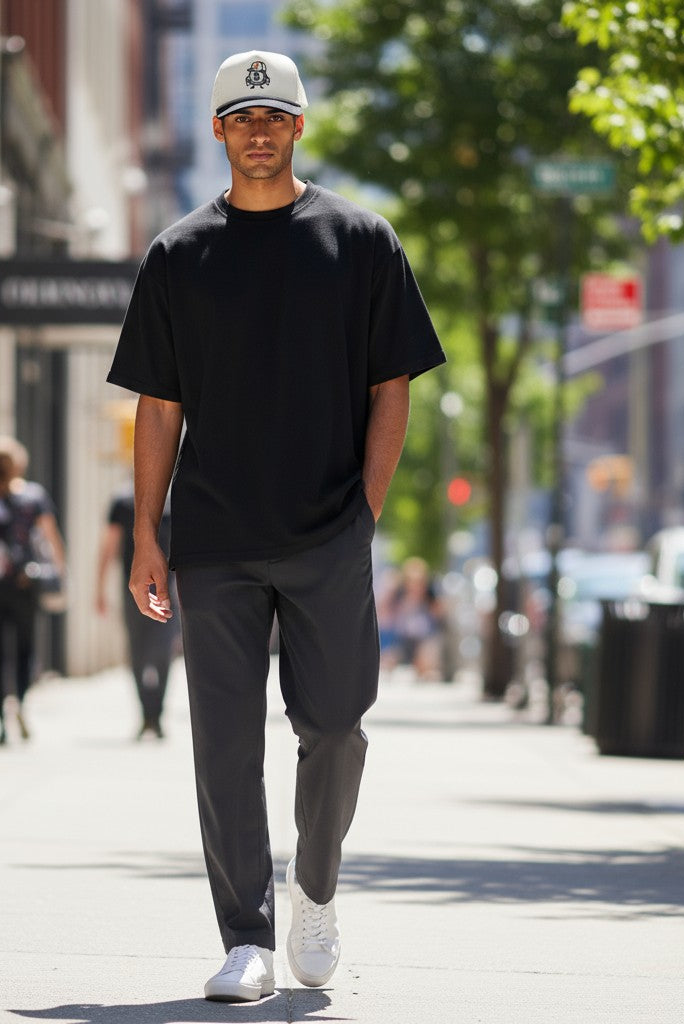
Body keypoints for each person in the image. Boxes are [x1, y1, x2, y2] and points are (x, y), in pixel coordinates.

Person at [107, 50, 445, 1002]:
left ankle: (319, 894)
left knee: (335, 726)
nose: (258, 130)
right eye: (240, 117)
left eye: (275, 116)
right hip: (212, 536)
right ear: (218, 132)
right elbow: (159, 406)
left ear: (298, 127)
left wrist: (364, 512)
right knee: (223, 742)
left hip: (327, 533)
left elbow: (393, 388)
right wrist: (147, 536)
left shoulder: (362, 240)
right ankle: (246, 937)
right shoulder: (178, 255)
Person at [0, 436, 65, 746]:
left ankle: (0, 724)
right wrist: (60, 576)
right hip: (26, 585)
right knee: (25, 649)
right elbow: (52, 540)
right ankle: (20, 703)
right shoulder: (33, 498)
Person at [95, 482, 177, 739]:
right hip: (133, 590)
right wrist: (99, 589)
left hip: (168, 591)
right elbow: (109, 547)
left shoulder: (173, 501)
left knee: (163, 651)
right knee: (138, 652)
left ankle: (157, 714)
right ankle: (146, 714)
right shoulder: (122, 502)